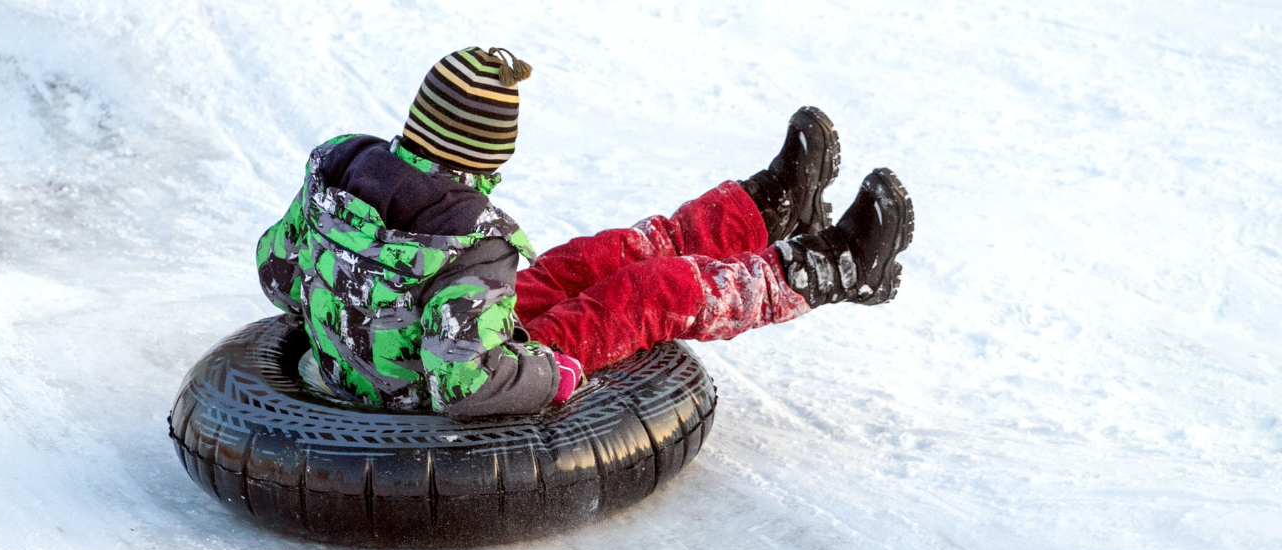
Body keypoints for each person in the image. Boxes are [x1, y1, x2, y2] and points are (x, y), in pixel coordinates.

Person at [256, 47, 913, 418]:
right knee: (652, 291)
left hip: (392, 347)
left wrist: (355, 308)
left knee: (591, 260)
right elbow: (466, 383)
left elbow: (277, 271)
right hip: (419, 397)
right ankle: (830, 269)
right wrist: (552, 375)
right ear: (484, 156)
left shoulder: (340, 169)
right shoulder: (467, 242)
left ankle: (761, 212)